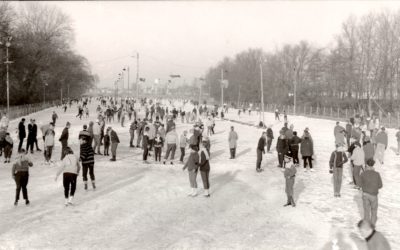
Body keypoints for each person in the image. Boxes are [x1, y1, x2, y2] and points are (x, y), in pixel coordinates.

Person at [360, 159, 383, 227]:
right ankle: (372, 226)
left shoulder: (363, 173)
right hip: (374, 195)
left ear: (367, 165)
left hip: (365, 194)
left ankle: (366, 227)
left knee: (366, 211)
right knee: (374, 211)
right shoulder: (377, 174)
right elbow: (380, 185)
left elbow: (359, 184)